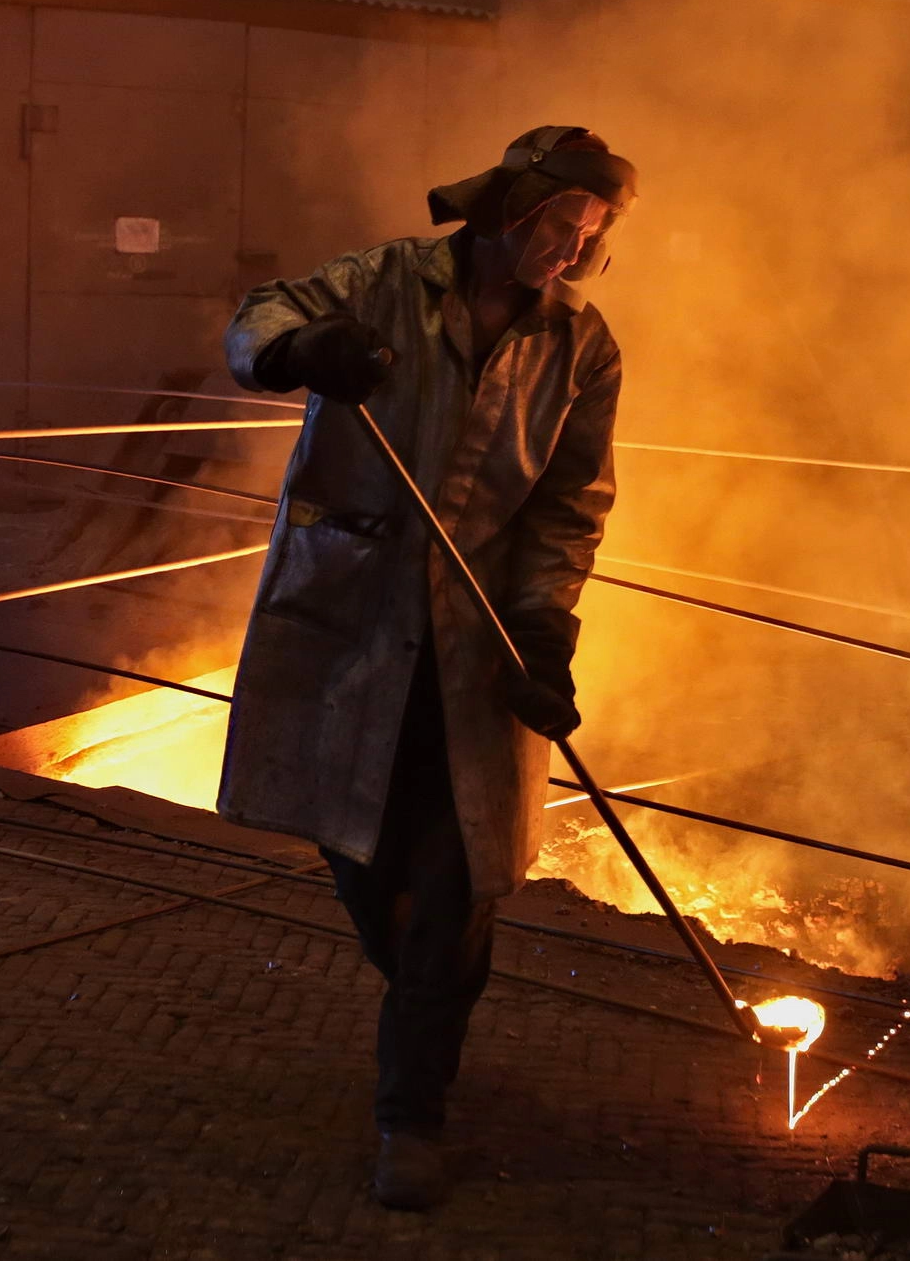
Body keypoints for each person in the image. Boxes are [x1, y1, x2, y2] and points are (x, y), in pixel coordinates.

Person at [217, 126, 636, 1209]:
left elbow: (567, 507)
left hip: (471, 648)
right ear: (509, 206)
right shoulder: (386, 281)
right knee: (368, 867)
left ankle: (412, 1112)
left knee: (457, 884)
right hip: (348, 622)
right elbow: (257, 316)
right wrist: (304, 353)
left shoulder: (581, 347)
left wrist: (543, 633)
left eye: (590, 234)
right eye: (558, 223)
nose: (570, 249)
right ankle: (425, 1000)